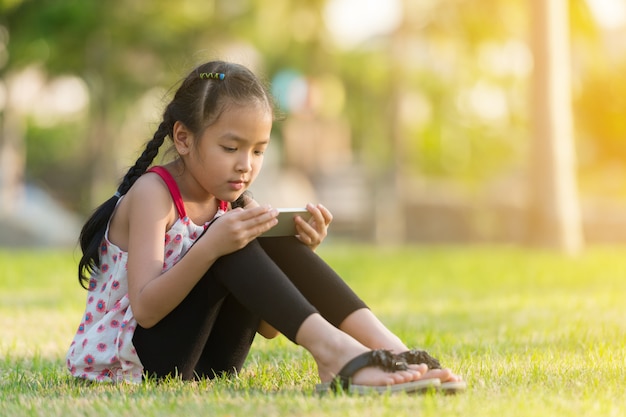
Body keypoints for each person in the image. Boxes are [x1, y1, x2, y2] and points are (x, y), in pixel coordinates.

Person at [66, 60, 465, 394]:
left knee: (265, 232)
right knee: (231, 237)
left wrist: (294, 253)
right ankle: (337, 355)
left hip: (209, 362)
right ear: (184, 139)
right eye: (231, 148)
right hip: (139, 363)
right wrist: (212, 246)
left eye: (258, 151)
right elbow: (147, 309)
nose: (246, 164)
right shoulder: (155, 192)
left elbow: (268, 328)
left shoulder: (233, 201)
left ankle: (391, 349)